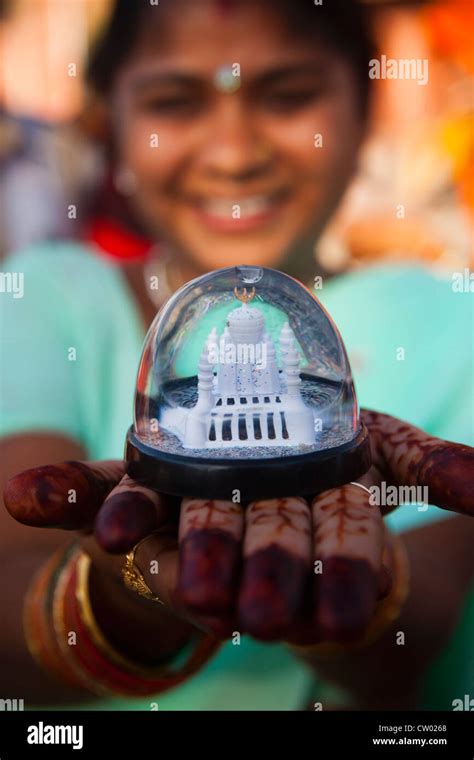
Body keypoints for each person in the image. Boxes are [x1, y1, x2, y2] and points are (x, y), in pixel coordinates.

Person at [0, 0, 472, 711]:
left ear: (366, 107)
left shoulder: (452, 320)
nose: (233, 153)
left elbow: (433, 610)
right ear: (108, 119)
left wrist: (361, 596)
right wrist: (121, 593)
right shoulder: (43, 296)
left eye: (288, 95)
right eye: (174, 101)